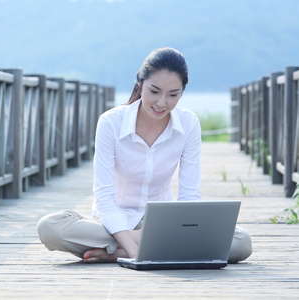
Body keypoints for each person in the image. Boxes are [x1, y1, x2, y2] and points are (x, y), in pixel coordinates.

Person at [37, 47, 252, 264]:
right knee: (51, 227)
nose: (162, 103)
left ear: (182, 92)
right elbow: (104, 197)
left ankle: (113, 254)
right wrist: (133, 250)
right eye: (154, 91)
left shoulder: (189, 123)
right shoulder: (111, 122)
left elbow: (189, 197)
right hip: (112, 225)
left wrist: (183, 229)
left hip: (165, 226)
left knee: (241, 241)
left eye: (173, 95)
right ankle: (149, 248)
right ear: (139, 84)